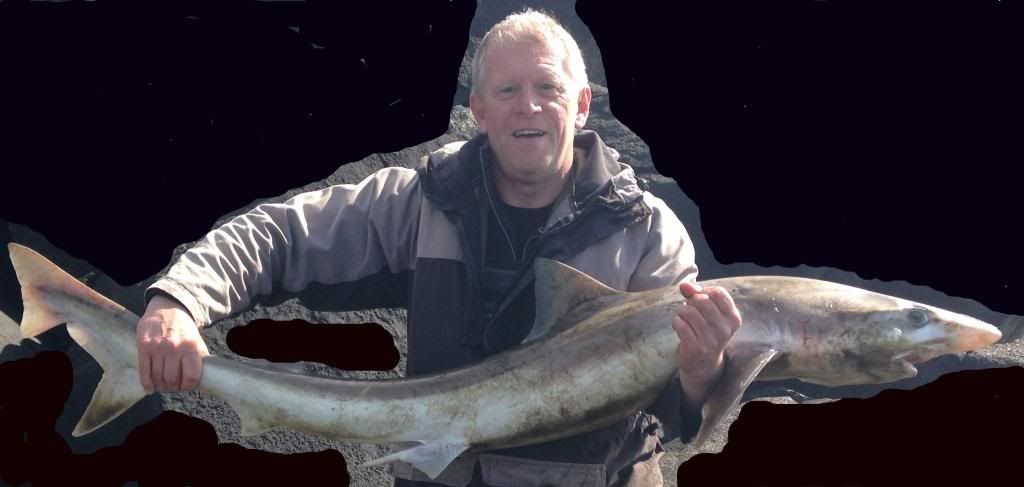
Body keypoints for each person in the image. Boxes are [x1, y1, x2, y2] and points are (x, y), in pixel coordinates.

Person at [136, 9, 742, 487]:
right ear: (478, 111)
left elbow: (677, 414)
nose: (528, 105)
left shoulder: (646, 233)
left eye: (548, 88)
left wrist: (701, 370)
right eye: (507, 90)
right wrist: (179, 301)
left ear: (582, 105)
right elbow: (279, 234)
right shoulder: (419, 202)